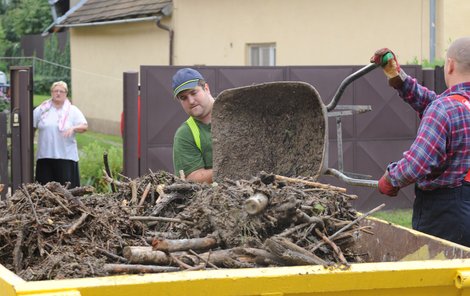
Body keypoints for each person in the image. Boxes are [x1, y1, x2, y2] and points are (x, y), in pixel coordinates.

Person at [371, 37, 470, 246]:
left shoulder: (444, 110)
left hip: (447, 218)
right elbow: (436, 104)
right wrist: (399, 78)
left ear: (450, 65)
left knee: (441, 277)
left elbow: (417, 163)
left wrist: (391, 179)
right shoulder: (451, 107)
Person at [33, 81, 88, 188]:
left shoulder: (72, 110)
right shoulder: (42, 109)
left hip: (66, 156)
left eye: (61, 91)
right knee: (44, 191)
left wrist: (73, 128)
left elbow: (84, 126)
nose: (58, 93)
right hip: (45, 156)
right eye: (55, 91)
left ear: (66, 93)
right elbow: (32, 126)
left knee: (66, 191)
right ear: (51, 92)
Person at [171, 68, 215, 184]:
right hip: (216, 199)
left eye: (194, 93)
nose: (191, 101)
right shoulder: (185, 134)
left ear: (206, 88)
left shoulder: (236, 114)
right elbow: (192, 178)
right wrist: (231, 171)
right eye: (183, 98)